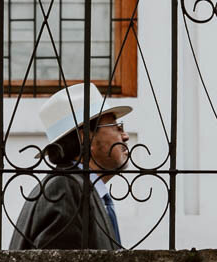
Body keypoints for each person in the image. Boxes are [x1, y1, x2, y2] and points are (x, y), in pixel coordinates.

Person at [7, 83, 132, 250]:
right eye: (117, 127)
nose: (125, 136)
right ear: (85, 137)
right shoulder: (65, 188)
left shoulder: (77, 186)